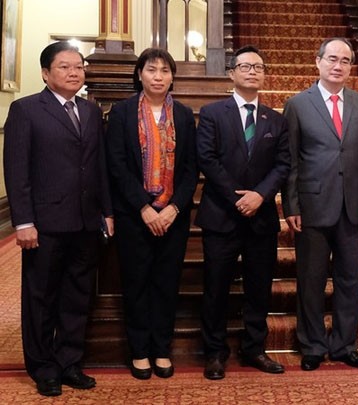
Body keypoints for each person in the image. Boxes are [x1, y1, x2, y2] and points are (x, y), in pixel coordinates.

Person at [3, 41, 113, 397]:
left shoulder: (91, 111)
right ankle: (44, 367)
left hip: (84, 221)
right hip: (44, 224)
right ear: (46, 73)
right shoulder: (26, 110)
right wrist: (23, 222)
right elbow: (17, 170)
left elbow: (99, 167)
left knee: (77, 297)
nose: (74, 72)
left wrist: (107, 212)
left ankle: (69, 362)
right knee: (41, 298)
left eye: (78, 66)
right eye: (64, 67)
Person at [281, 37, 358, 371]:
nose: (339, 66)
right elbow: (291, 160)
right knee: (311, 279)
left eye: (346, 61)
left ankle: (344, 344)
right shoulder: (297, 104)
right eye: (333, 59)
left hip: (352, 206)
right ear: (318, 62)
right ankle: (312, 345)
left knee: (351, 279)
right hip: (311, 206)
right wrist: (291, 207)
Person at [196, 45, 290, 379]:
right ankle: (215, 352)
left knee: (258, 287)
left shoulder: (275, 120)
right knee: (216, 288)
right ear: (232, 73)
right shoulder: (212, 113)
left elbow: (283, 164)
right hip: (221, 215)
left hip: (260, 218)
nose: (252, 71)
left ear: (265, 75)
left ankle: (254, 349)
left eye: (258, 67)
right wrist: (239, 197)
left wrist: (260, 196)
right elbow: (207, 159)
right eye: (245, 66)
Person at [105, 48, 198, 380]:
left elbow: (191, 169)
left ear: (172, 76)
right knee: (136, 284)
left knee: (166, 285)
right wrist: (144, 208)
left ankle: (162, 349)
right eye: (151, 69)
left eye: (164, 70)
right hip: (135, 217)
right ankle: (140, 351)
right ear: (140, 74)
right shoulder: (122, 113)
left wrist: (173, 208)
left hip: (173, 217)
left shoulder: (185, 116)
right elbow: (116, 165)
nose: (158, 76)